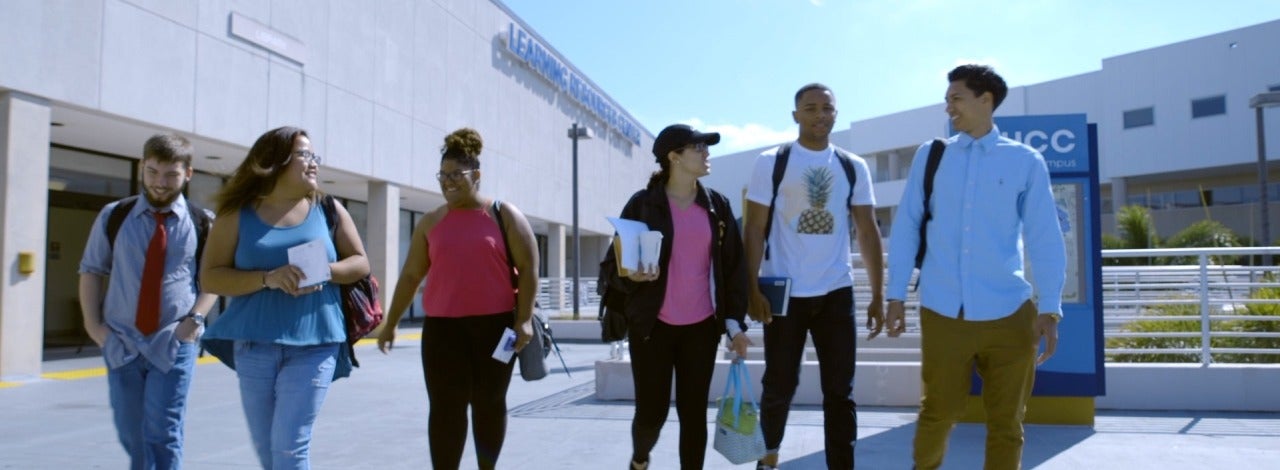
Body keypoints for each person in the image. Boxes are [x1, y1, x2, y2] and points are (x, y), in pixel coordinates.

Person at [884, 64, 1066, 470]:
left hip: (1010, 313)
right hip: (943, 309)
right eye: (948, 99)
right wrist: (895, 294)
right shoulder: (931, 157)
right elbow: (908, 225)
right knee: (938, 413)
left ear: (986, 100)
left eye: (956, 98)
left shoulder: (1025, 161)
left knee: (1007, 423)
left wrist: (1050, 307)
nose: (949, 107)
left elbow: (1044, 237)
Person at [199, 126, 370, 469]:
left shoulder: (328, 209)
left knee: (290, 448)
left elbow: (361, 263)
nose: (313, 163)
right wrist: (268, 278)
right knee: (269, 451)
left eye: (313, 156)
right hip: (254, 345)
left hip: (316, 343)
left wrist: (326, 270)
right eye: (304, 155)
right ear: (275, 162)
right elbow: (211, 277)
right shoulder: (237, 214)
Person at [376, 128, 539, 470]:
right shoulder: (431, 222)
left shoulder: (503, 214)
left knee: (489, 403)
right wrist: (390, 323)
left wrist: (523, 319)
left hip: (497, 329)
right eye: (443, 175)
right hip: (442, 331)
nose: (448, 182)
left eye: (456, 175)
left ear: (476, 175)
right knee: (445, 407)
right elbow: (410, 276)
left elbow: (528, 268)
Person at [742, 83, 886, 470]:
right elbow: (754, 228)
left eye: (827, 108)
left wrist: (877, 294)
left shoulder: (852, 165)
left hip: (837, 291)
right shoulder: (772, 161)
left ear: (836, 113)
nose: (820, 115)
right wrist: (750, 287)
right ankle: (767, 459)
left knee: (841, 393)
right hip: (783, 290)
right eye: (810, 108)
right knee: (778, 387)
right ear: (795, 115)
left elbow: (868, 230)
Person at [604, 124, 751, 470]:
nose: (707, 153)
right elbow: (611, 268)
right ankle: (640, 459)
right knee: (651, 415)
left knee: (694, 413)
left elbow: (734, 269)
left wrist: (734, 324)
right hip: (651, 327)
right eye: (698, 147)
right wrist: (632, 274)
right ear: (674, 157)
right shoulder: (642, 205)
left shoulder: (717, 206)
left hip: (701, 328)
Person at [79, 133, 219, 469]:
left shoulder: (203, 222)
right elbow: (91, 270)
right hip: (122, 340)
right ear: (142, 167)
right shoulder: (114, 215)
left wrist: (194, 322)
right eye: (153, 172)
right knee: (131, 432)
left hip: (172, 341)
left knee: (163, 432)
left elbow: (213, 282)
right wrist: (94, 327)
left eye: (171, 174)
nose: (160, 182)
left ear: (188, 173)